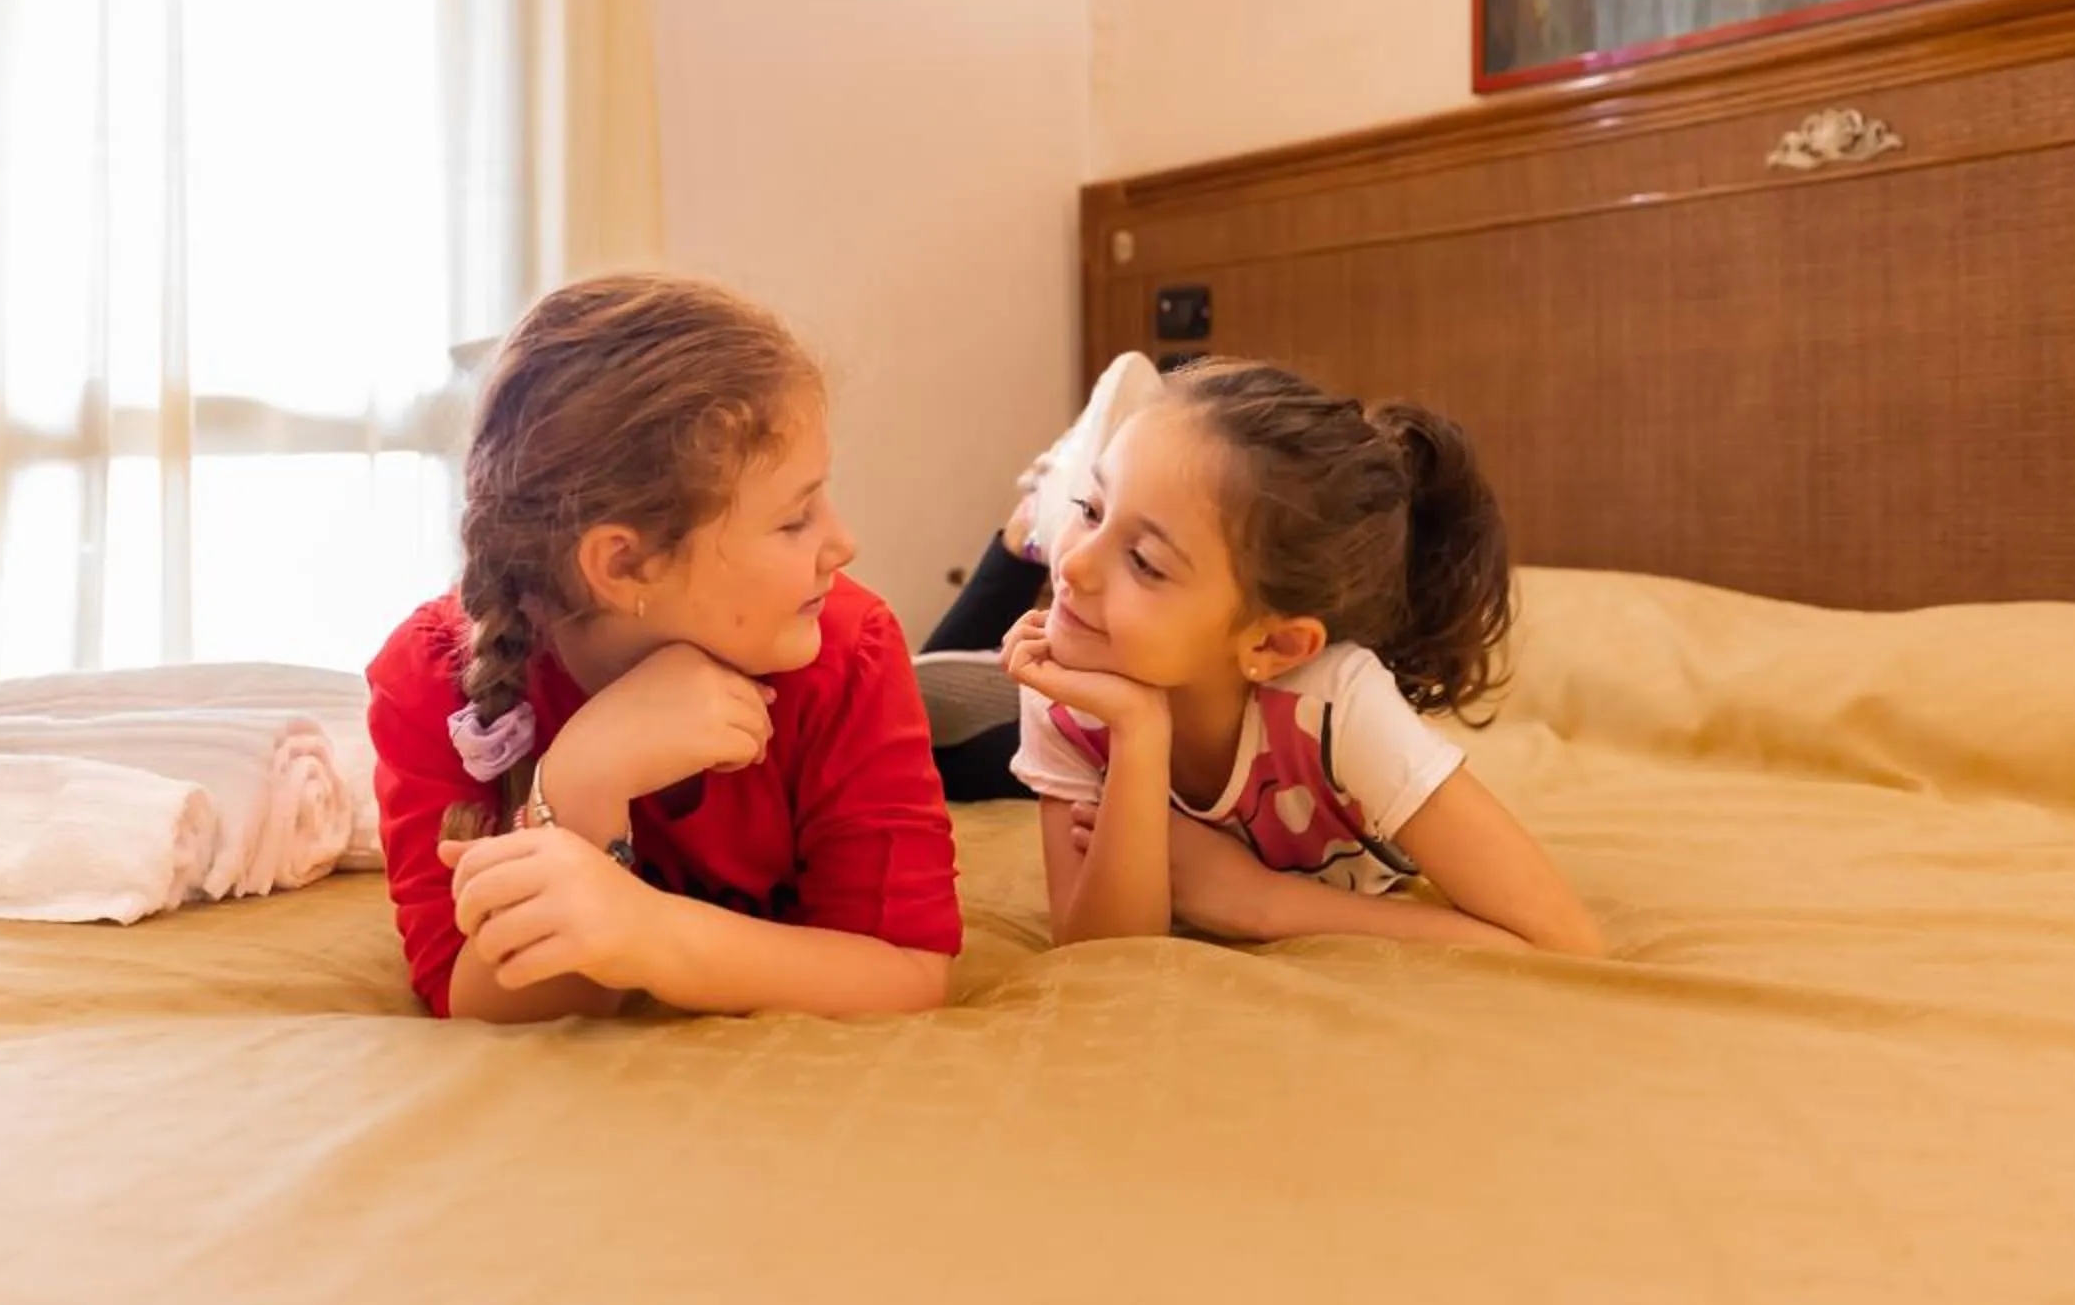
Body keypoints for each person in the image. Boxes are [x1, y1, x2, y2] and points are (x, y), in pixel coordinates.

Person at [366, 274, 962, 1023]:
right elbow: (482, 1007)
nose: (843, 543)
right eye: (793, 520)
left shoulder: (850, 649)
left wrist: (648, 934)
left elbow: (905, 976)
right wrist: (582, 784)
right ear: (622, 564)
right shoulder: (432, 677)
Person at [983, 355, 1601, 955]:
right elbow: (1097, 955)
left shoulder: (1338, 706)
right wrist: (1139, 733)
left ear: (1273, 644)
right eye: (1089, 510)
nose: (1071, 564)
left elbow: (1562, 939)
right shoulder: (1069, 687)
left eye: (1144, 562)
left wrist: (1260, 903)